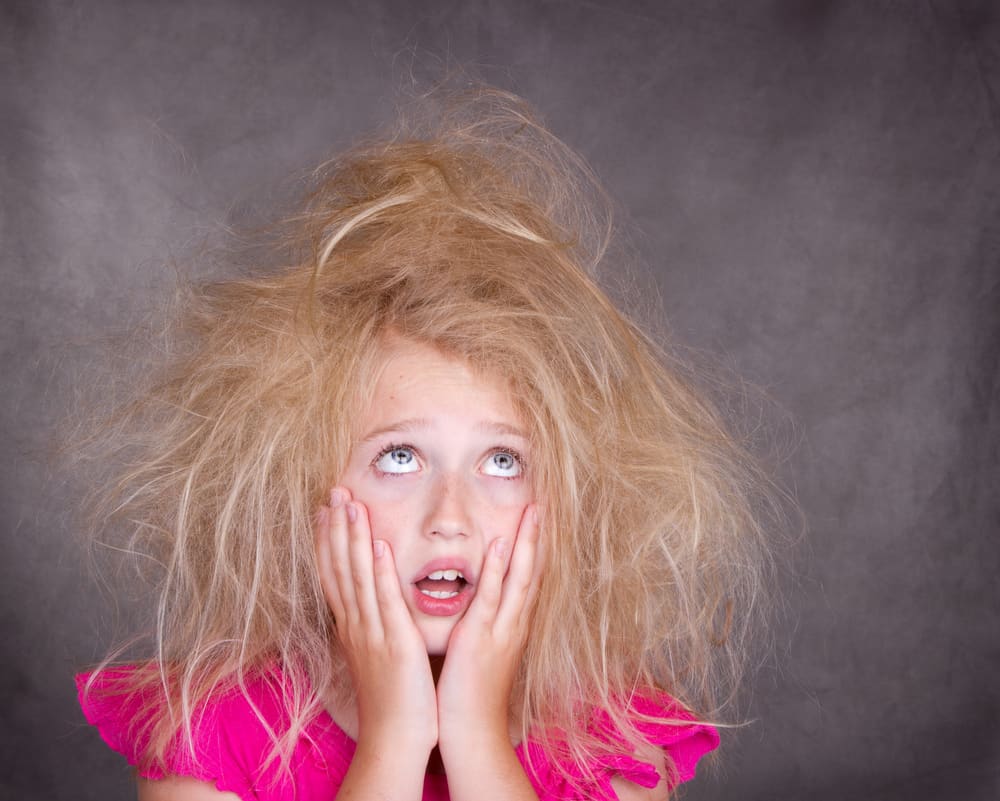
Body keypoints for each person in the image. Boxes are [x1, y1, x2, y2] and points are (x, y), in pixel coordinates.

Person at [75, 87, 773, 801]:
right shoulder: (214, 733)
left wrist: (473, 730)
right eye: (400, 457)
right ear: (303, 484)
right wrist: (394, 737)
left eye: (502, 461)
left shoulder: (612, 745)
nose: (451, 515)